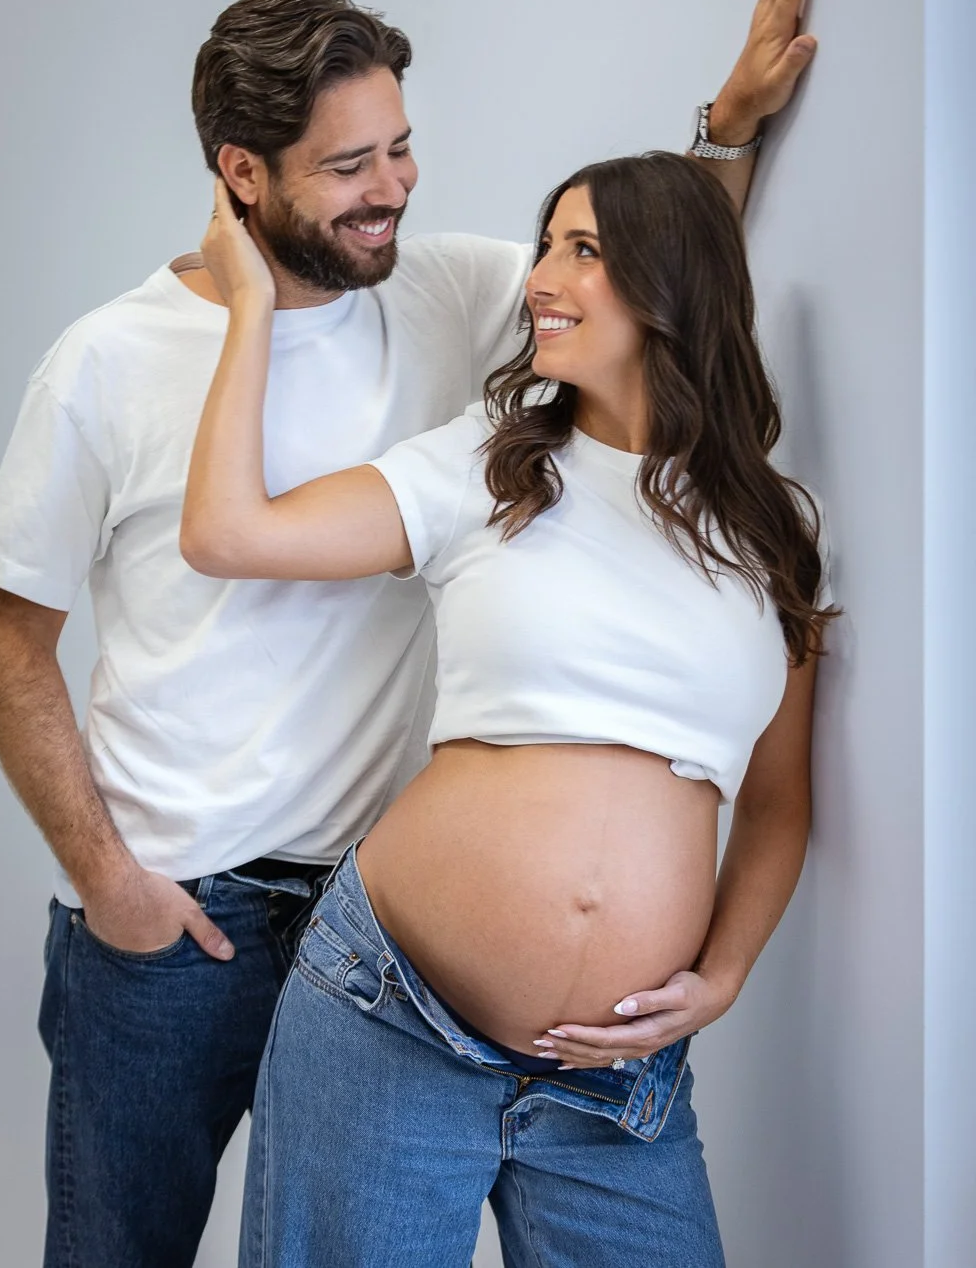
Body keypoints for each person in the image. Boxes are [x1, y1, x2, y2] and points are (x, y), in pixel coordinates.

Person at [0, 0, 818, 1267]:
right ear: (241, 175)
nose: (395, 190)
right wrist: (108, 881)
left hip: (374, 910)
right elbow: (10, 641)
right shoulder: (106, 362)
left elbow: (651, 287)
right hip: (177, 914)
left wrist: (727, 121)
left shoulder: (450, 289)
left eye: (402, 148)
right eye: (350, 167)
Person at [184, 146, 834, 1268]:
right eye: (545, 244)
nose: (539, 275)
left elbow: (776, 803)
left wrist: (722, 976)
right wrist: (249, 305)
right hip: (390, 1016)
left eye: (582, 250)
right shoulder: (486, 471)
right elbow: (228, 533)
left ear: (669, 280)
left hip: (615, 1078)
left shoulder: (770, 538)